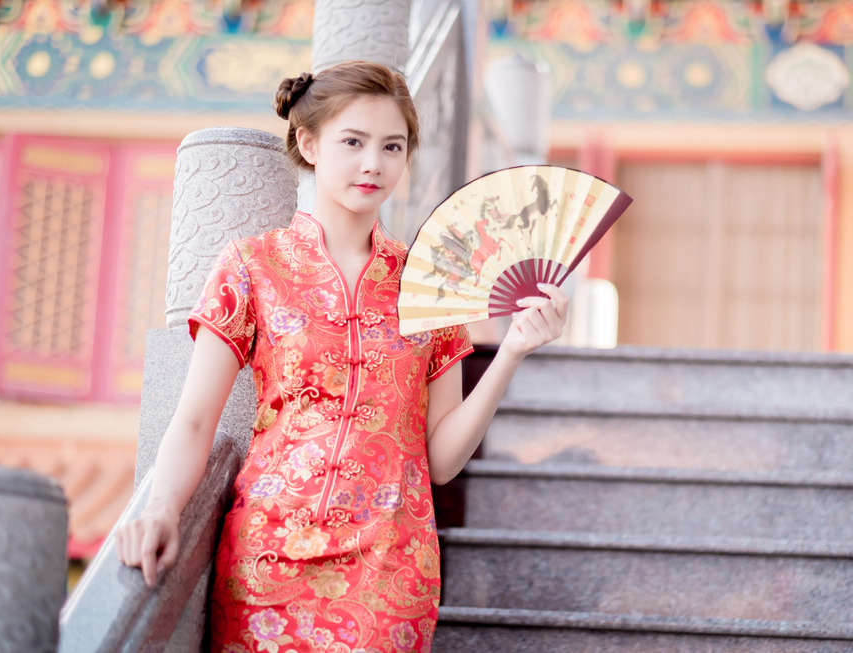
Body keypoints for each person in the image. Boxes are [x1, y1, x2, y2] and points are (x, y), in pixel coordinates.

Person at [115, 60, 568, 652]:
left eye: (392, 146)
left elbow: (442, 460)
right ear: (309, 142)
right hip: (268, 560)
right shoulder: (253, 265)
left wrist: (511, 351)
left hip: (390, 566)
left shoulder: (431, 285)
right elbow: (195, 420)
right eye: (352, 141)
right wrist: (162, 510)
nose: (373, 163)